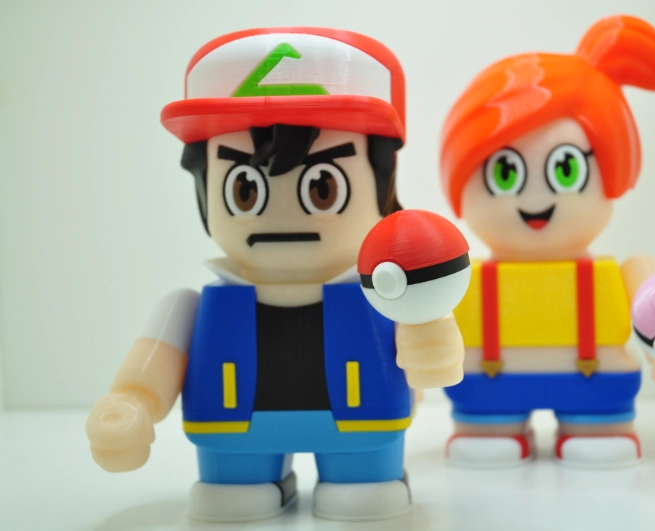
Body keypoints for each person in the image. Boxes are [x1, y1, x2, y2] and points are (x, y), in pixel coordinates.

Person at [86, 27, 464, 522]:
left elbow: (434, 350)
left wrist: (431, 341)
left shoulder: (387, 295)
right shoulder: (192, 307)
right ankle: (248, 482)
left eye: (323, 187)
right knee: (233, 497)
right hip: (234, 439)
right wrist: (132, 404)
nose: (282, 216)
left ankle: (362, 479)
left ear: (384, 183)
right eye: (245, 189)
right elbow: (150, 368)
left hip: (362, 432)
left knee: (363, 493)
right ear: (205, 189)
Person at [440, 16, 655, 468]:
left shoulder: (626, 274)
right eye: (505, 173)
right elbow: (423, 327)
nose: (535, 199)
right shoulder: (457, 280)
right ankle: (490, 428)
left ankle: (598, 428)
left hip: (596, 388)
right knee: (485, 434)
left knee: (600, 434)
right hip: (487, 391)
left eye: (566, 169)